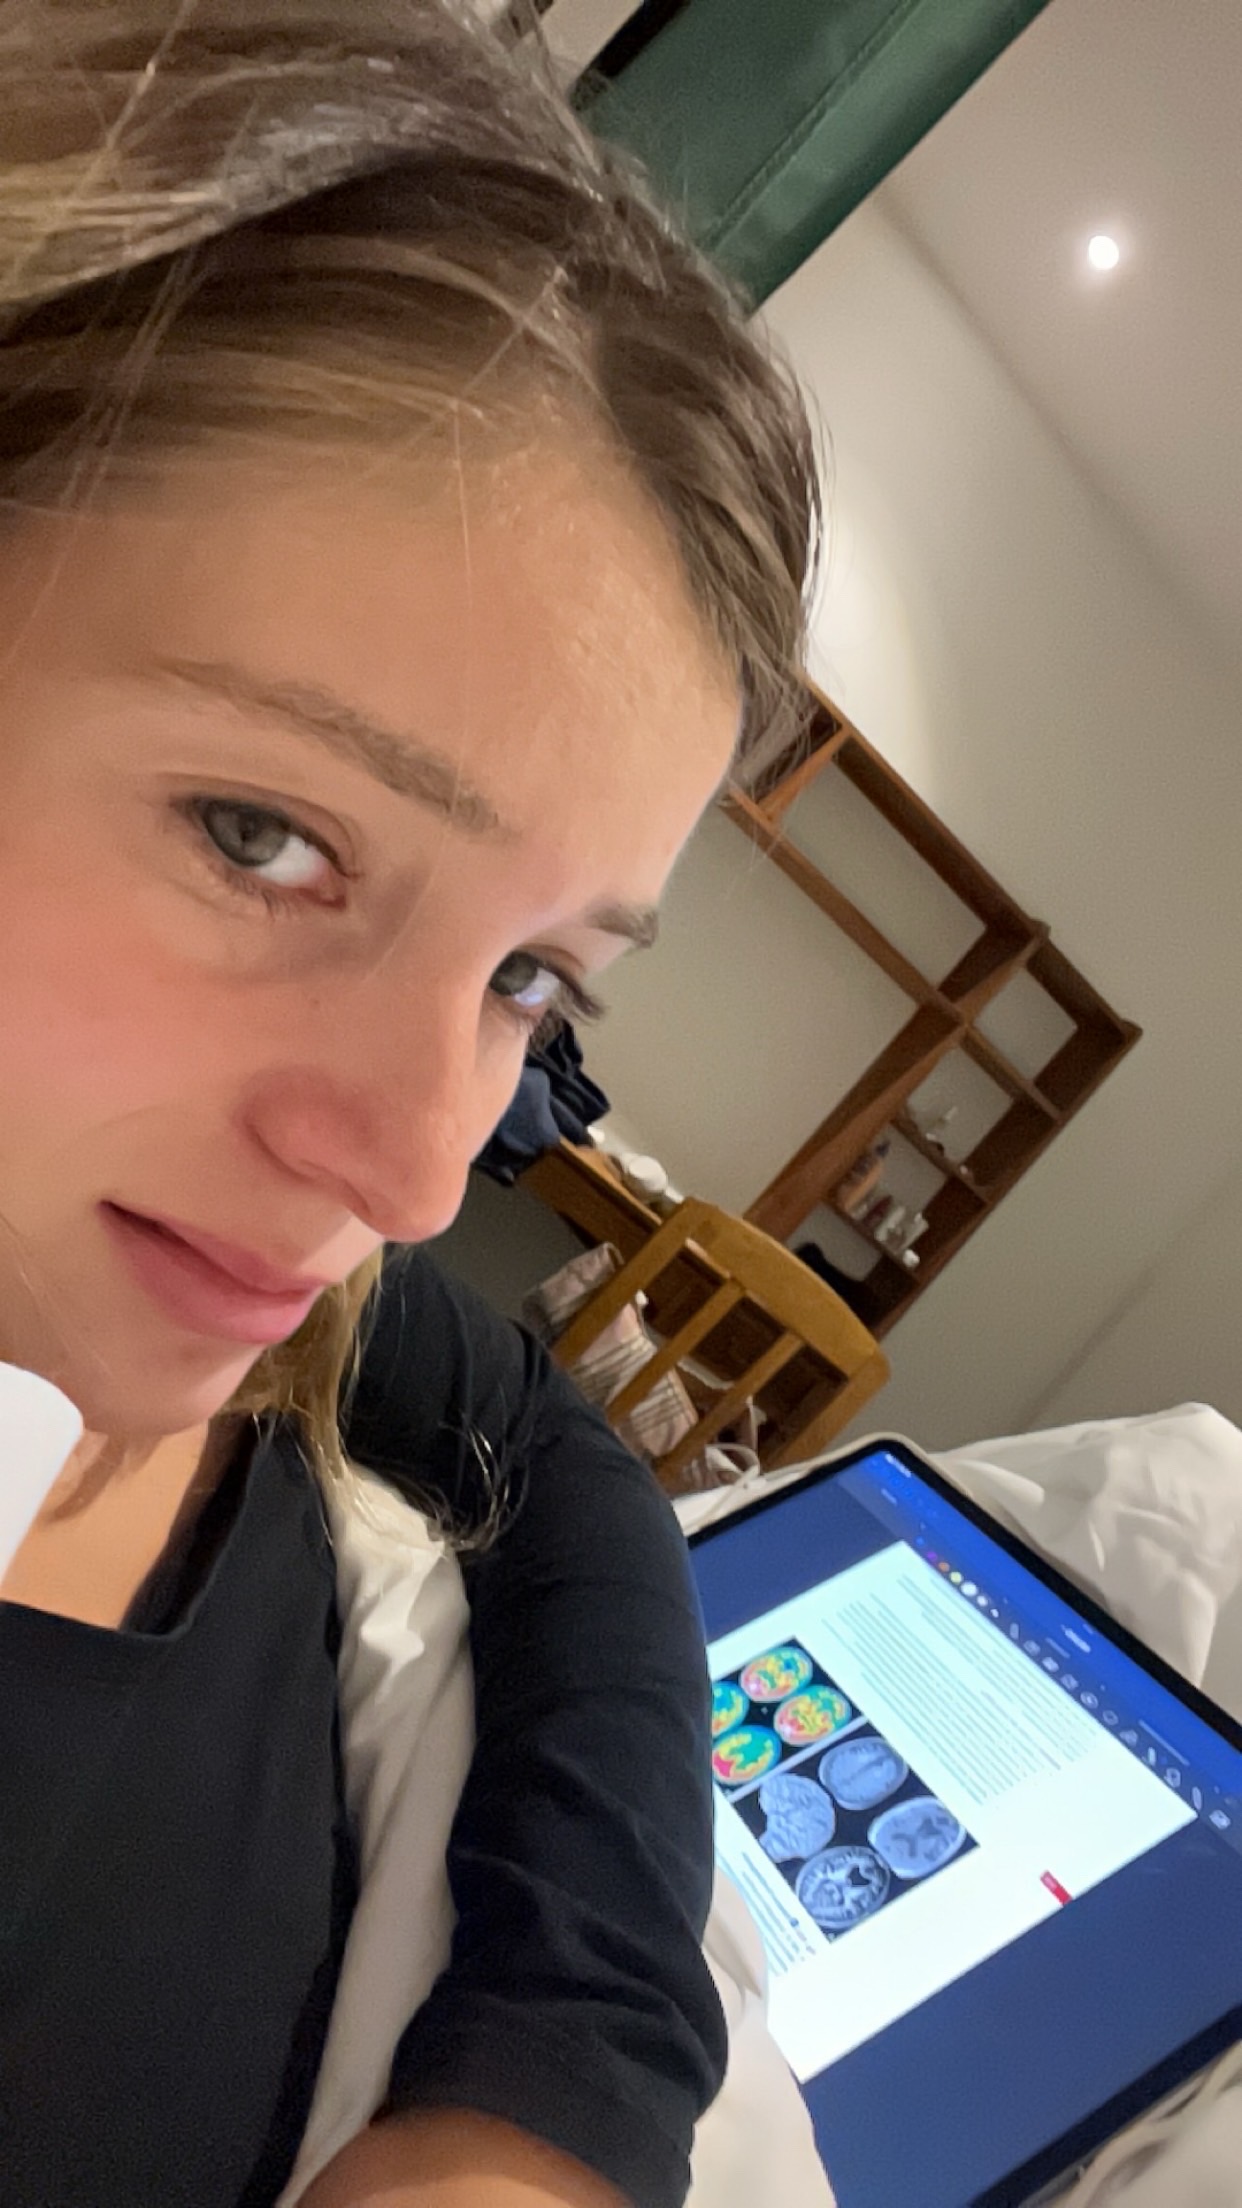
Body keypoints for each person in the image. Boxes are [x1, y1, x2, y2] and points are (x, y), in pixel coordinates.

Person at [0, 4, 818, 2204]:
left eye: (530, 978)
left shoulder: (288, 1331)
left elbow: (563, 1466)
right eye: (263, 836)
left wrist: (556, 2078)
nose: (414, 1169)